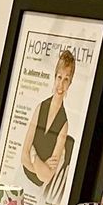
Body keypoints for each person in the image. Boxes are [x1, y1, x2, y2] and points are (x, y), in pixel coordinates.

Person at [20, 47, 78, 192]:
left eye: (66, 79)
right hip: (21, 178)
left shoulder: (64, 123)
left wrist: (33, 155)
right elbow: (23, 157)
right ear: (54, 77)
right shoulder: (40, 107)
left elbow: (47, 176)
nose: (61, 84)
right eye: (59, 77)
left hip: (39, 189)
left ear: (70, 84)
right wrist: (40, 165)